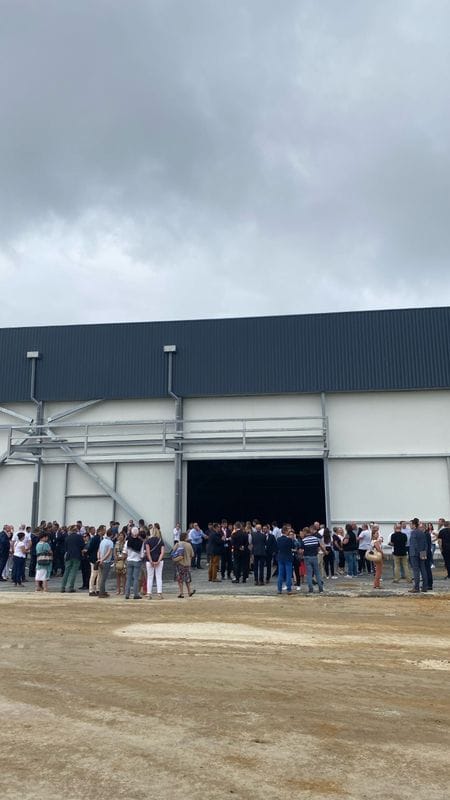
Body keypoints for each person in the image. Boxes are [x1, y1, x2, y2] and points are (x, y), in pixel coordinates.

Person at [300, 527, 326, 594]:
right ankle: (321, 589)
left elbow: (301, 551)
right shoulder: (315, 539)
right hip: (314, 557)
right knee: (317, 573)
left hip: (307, 557)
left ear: (305, 532)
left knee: (309, 574)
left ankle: (311, 589)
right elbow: (318, 548)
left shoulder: (304, 540)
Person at [61, 526, 84, 592]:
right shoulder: (79, 537)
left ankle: (63, 587)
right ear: (76, 530)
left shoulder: (67, 537)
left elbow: (65, 548)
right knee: (73, 572)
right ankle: (71, 587)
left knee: (66, 571)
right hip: (77, 555)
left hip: (68, 555)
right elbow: (82, 546)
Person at [124, 527, 144, 599]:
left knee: (128, 578)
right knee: (136, 578)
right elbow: (142, 555)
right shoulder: (141, 542)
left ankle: (127, 594)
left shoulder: (127, 541)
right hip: (137, 561)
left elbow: (124, 551)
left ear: (131, 533)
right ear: (138, 533)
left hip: (129, 560)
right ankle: (136, 594)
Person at [409, 518, 429, 593]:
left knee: (416, 570)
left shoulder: (414, 533)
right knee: (423, 569)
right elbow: (425, 544)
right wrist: (423, 552)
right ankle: (424, 587)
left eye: (410, 524)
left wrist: (417, 553)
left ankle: (416, 587)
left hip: (415, 554)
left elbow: (415, 545)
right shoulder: (422, 532)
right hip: (423, 552)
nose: (410, 526)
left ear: (414, 525)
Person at [174, 532, 196, 598]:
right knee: (187, 579)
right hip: (187, 564)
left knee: (180, 579)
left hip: (180, 564)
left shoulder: (177, 544)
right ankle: (189, 592)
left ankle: (181, 593)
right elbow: (192, 555)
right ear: (185, 537)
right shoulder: (189, 545)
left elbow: (173, 553)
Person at [145, 527, 165, 599]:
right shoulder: (160, 541)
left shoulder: (147, 541)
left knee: (150, 577)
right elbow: (162, 553)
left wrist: (151, 561)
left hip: (149, 561)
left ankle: (149, 594)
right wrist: (158, 561)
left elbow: (147, 552)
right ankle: (159, 593)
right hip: (159, 561)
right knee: (159, 577)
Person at [275, 524, 295, 595]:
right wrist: (292, 539)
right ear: (286, 531)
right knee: (288, 574)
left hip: (280, 557)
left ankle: (279, 589)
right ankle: (288, 589)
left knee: (280, 574)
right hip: (288, 557)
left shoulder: (278, 539)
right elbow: (293, 546)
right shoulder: (289, 539)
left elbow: (277, 548)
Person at [97, 528, 114, 598]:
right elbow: (109, 553)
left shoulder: (103, 541)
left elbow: (98, 551)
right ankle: (101, 593)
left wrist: (99, 559)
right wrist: (103, 559)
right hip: (106, 561)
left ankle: (102, 591)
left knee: (101, 577)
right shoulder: (110, 542)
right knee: (103, 578)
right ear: (112, 535)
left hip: (100, 560)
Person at [114, 530, 127, 595]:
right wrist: (116, 557)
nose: (120, 537)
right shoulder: (117, 543)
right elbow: (115, 551)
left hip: (124, 560)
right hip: (117, 561)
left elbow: (126, 553)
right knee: (118, 576)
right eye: (119, 535)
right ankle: (118, 589)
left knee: (123, 576)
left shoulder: (126, 543)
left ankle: (123, 590)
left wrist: (122, 558)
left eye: (122, 535)